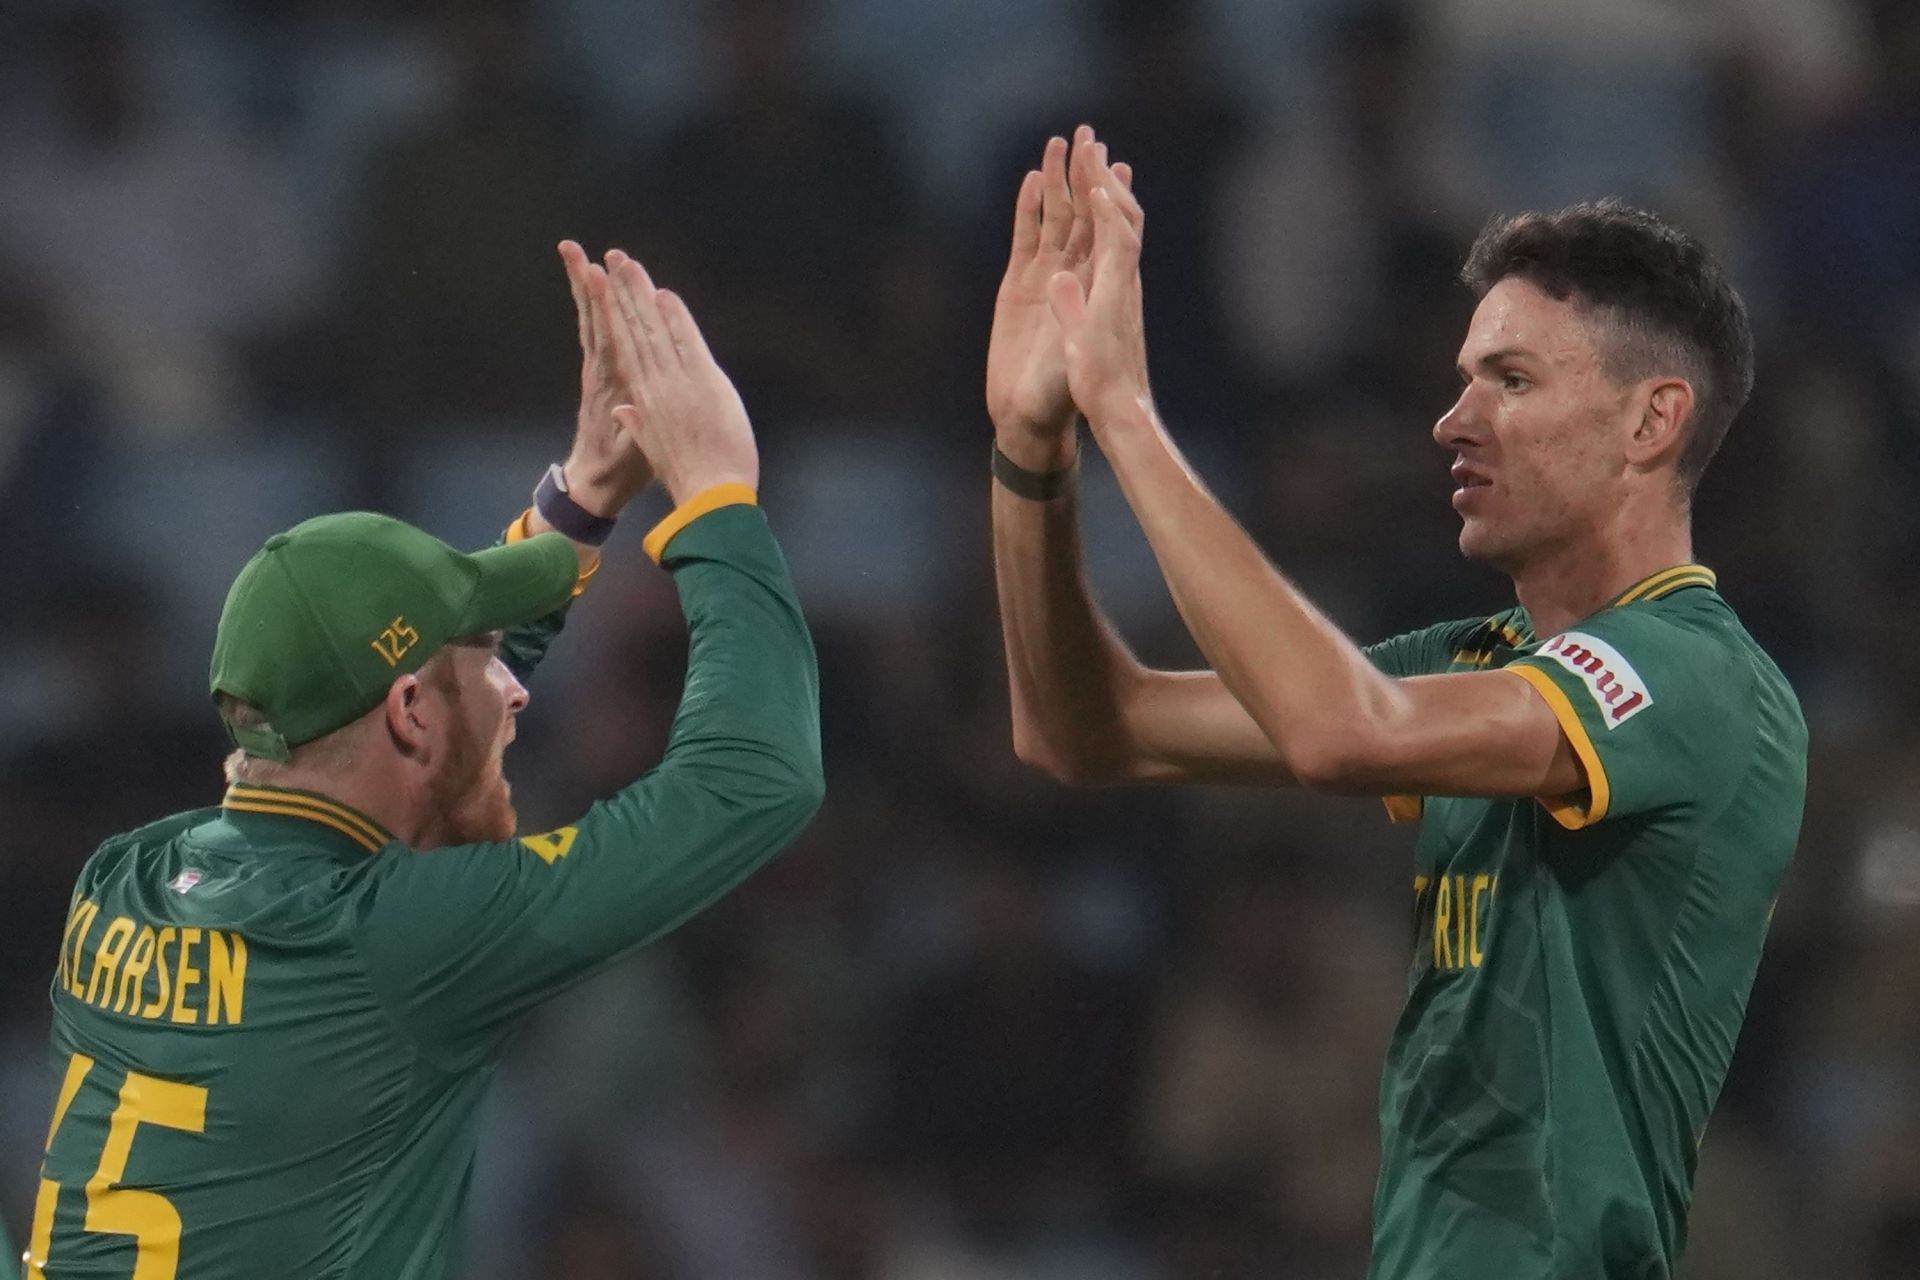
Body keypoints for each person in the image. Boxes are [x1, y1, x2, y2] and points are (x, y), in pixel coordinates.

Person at [987, 126, 1806, 1278]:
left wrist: (1126, 414)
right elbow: (1083, 729)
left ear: (1650, 419)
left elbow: (1341, 733)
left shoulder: (1697, 673)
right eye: (1463, 380)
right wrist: (1034, 453)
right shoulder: (1482, 662)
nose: (1453, 420)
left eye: (1510, 381)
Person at [24, 244, 823, 1279]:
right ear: (407, 709)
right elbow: (757, 778)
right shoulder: (402, 938)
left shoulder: (122, 879)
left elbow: (414, 723)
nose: (522, 688)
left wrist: (579, 500)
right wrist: (717, 503)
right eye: (490, 660)